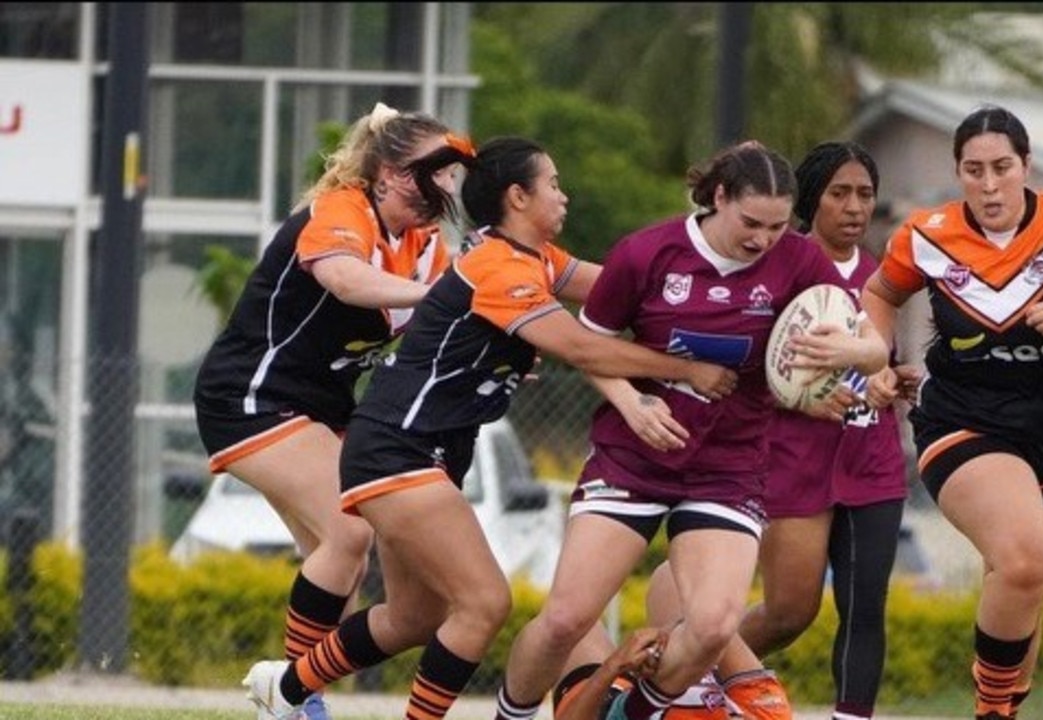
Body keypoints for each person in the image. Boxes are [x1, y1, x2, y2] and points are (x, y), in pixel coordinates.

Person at [240, 135, 738, 720]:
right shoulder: (499, 267)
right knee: (482, 604)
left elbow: (623, 289)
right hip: (397, 448)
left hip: (417, 451)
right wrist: (685, 369)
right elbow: (581, 346)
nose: (565, 196)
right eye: (553, 184)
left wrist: (724, 278)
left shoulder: (538, 261)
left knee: (415, 617)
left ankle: (288, 687)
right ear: (518, 197)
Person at [494, 141, 889, 720]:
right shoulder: (647, 254)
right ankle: (513, 715)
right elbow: (590, 349)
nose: (763, 239)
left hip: (725, 468)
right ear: (719, 197)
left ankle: (633, 715)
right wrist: (632, 405)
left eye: (779, 226)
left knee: (711, 626)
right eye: (751, 223)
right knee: (565, 620)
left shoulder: (799, 263)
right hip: (633, 459)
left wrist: (847, 348)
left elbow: (875, 349)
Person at [848, 104, 1043, 720]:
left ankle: (1004, 711)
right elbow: (879, 293)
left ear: (1026, 166)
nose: (989, 186)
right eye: (973, 170)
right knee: (1023, 561)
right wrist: (876, 359)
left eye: (1002, 168)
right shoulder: (926, 234)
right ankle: (989, 710)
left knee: (1024, 589)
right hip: (962, 420)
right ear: (958, 172)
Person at [192, 101, 476, 720]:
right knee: (351, 528)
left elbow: (475, 306)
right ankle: (294, 698)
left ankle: (290, 691)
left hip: (320, 407)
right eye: (439, 173)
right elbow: (347, 280)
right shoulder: (343, 209)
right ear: (394, 174)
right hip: (251, 396)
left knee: (339, 550)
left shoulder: (425, 245)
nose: (449, 189)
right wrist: (441, 297)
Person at [735, 141, 917, 720]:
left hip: (872, 461)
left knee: (865, 608)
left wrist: (893, 379)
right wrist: (806, 400)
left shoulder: (883, 277)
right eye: (840, 193)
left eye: (865, 194)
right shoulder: (777, 263)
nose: (855, 206)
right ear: (812, 200)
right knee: (790, 610)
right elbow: (750, 369)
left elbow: (880, 360)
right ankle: (682, 672)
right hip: (794, 461)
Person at [554, 562, 786, 720]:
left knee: (564, 623)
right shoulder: (764, 712)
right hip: (685, 686)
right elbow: (718, 629)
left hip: (619, 708)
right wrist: (682, 630)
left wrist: (614, 666)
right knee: (677, 576)